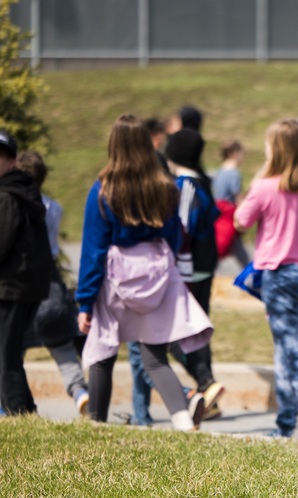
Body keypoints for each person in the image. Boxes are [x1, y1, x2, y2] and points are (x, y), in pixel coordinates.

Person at [75, 114, 212, 430]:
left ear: (114, 145)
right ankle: (181, 419)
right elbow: (176, 236)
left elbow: (93, 250)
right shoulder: (164, 187)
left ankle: (97, 424)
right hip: (157, 277)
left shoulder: (103, 190)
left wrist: (85, 301)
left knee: (103, 353)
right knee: (154, 357)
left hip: (114, 279)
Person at [234, 119, 298, 442]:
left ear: (275, 150)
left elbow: (240, 222)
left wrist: (259, 177)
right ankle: (285, 422)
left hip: (279, 277)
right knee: (285, 349)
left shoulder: (266, 187)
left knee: (296, 352)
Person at [128, 127, 224, 426]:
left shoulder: (185, 187)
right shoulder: (204, 183)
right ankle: (203, 386)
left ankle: (203, 383)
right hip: (204, 266)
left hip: (186, 268)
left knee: (172, 336)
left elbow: (182, 227)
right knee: (191, 327)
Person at [17, 150, 90, 416]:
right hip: (51, 286)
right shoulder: (54, 208)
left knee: (10, 353)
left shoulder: (13, 204)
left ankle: (10, 404)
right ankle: (80, 392)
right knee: (62, 348)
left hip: (21, 286)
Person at [0, 130, 53, 416]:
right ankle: (25, 411)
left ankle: (17, 412)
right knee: (9, 352)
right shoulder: (25, 192)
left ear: (11, 162)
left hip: (10, 286)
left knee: (5, 355)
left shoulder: (7, 196)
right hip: (25, 286)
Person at [212, 139, 250, 266]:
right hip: (229, 217)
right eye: (241, 154)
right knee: (240, 254)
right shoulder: (234, 174)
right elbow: (238, 198)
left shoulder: (219, 172)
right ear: (233, 153)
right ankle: (252, 281)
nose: (242, 158)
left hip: (218, 216)